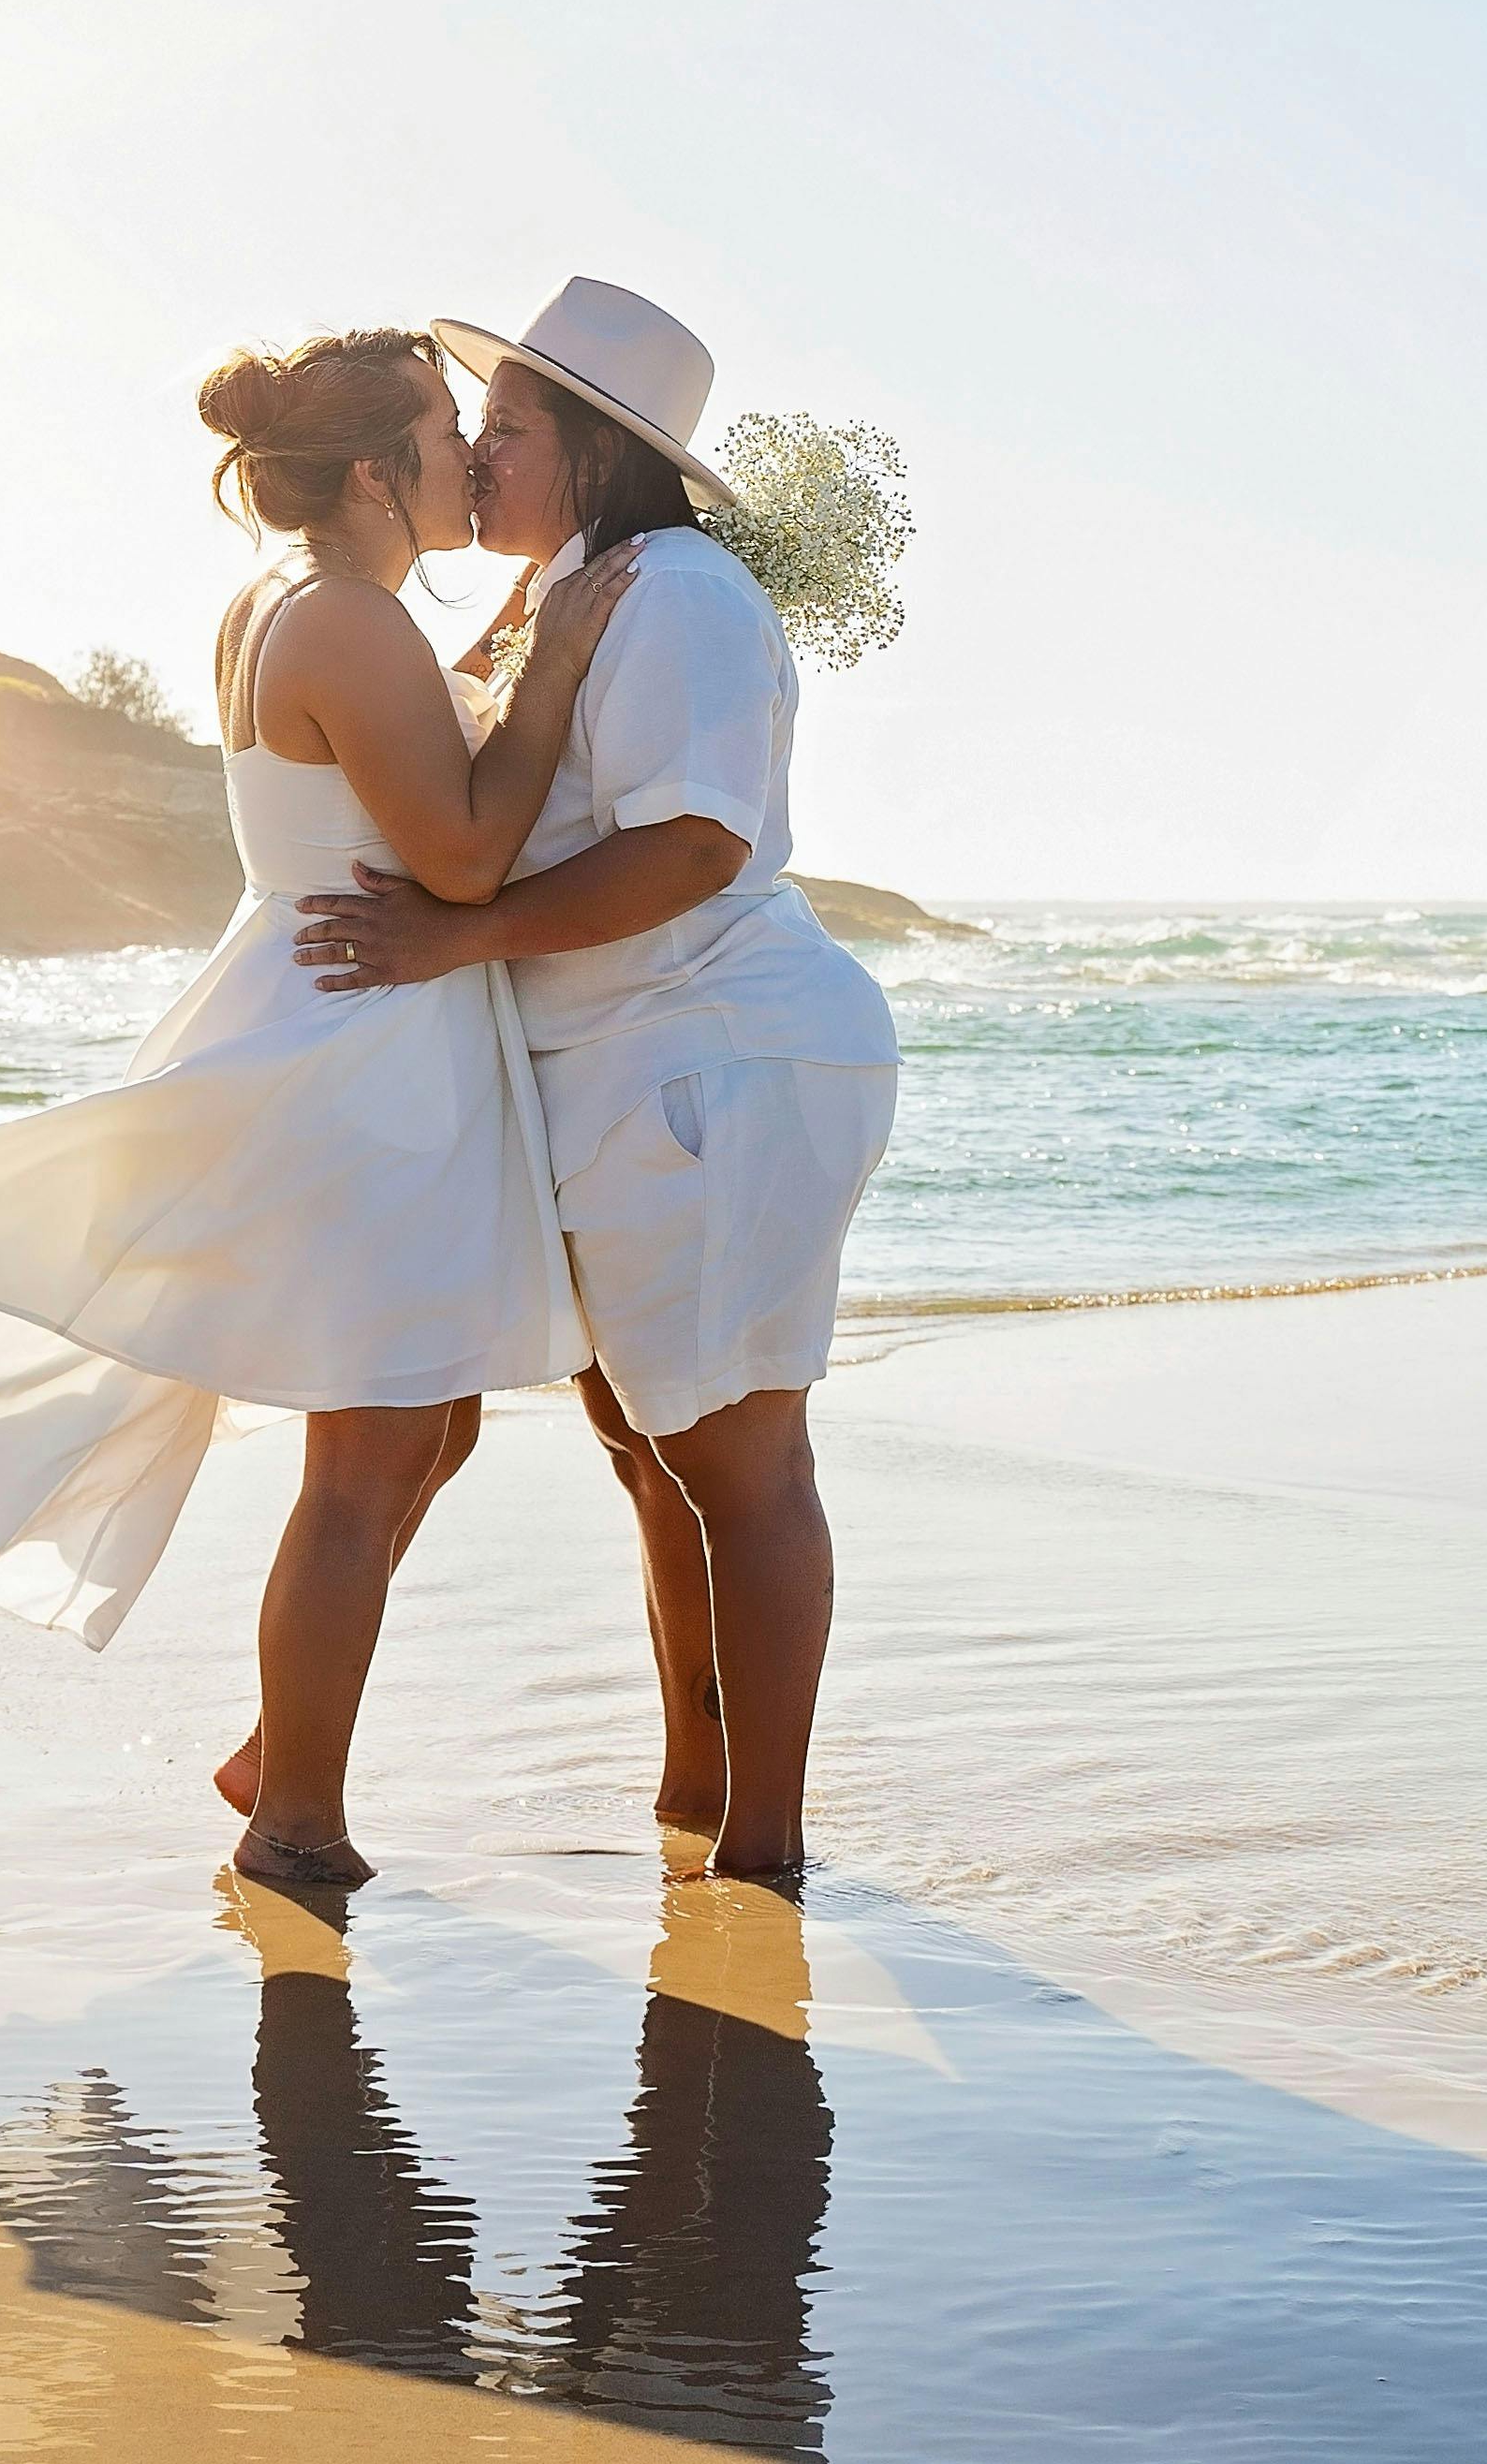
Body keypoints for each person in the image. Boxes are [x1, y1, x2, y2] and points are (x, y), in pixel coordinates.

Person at [0, 328, 637, 1890]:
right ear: (378, 470)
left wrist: (522, 621)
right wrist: (563, 661)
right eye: (449, 434)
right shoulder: (347, 621)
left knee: (424, 1420)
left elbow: (397, 764)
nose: (473, 460)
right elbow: (456, 861)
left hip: (351, 1022)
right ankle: (293, 1821)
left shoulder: (292, 602)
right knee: (370, 1453)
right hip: (359, 1050)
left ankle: (277, 1744)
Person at [293, 280, 899, 1887]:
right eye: (470, 432)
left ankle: (760, 1850)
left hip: (715, 1051)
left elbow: (695, 844)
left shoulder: (678, 590)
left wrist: (451, 940)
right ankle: (691, 1801)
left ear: (595, 455)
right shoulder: (573, 588)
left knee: (734, 1462)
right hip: (619, 1061)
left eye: (506, 431)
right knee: (650, 1454)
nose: (477, 459)